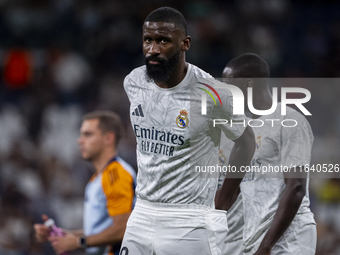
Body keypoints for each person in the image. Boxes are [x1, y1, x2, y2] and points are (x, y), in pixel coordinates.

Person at [120, 6, 255, 255]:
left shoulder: (214, 94)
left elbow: (247, 142)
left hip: (190, 220)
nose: (153, 49)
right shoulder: (134, 82)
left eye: (163, 41)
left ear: (185, 43)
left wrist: (222, 203)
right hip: (142, 213)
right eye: (148, 40)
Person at [221, 53, 317, 255]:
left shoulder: (290, 121)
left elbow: (296, 187)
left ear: (249, 84)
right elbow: (234, 190)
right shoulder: (242, 131)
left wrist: (267, 245)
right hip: (254, 235)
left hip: (289, 238)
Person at [34, 111, 136, 255]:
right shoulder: (98, 178)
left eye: (88, 134)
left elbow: (122, 229)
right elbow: (100, 233)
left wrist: (78, 242)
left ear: (109, 138)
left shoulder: (116, 174)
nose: (80, 141)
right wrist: (65, 236)